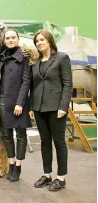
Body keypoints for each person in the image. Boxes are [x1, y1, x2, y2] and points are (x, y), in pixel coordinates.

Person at [30, 30, 72, 191]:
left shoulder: (62, 58)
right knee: (45, 142)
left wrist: (63, 106)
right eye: (37, 41)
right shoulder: (36, 62)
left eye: (42, 40)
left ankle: (61, 178)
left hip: (56, 108)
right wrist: (32, 107)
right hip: (39, 107)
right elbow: (33, 87)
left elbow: (67, 84)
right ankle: (47, 175)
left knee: (59, 142)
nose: (39, 43)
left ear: (49, 41)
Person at [0, 29, 31, 182]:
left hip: (18, 103)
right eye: (8, 38)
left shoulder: (23, 57)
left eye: (13, 38)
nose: (10, 40)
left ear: (18, 39)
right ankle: (10, 163)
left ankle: (18, 166)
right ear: (4, 41)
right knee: (6, 134)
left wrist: (20, 103)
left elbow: (26, 82)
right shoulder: (2, 57)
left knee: (21, 136)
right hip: (2, 100)